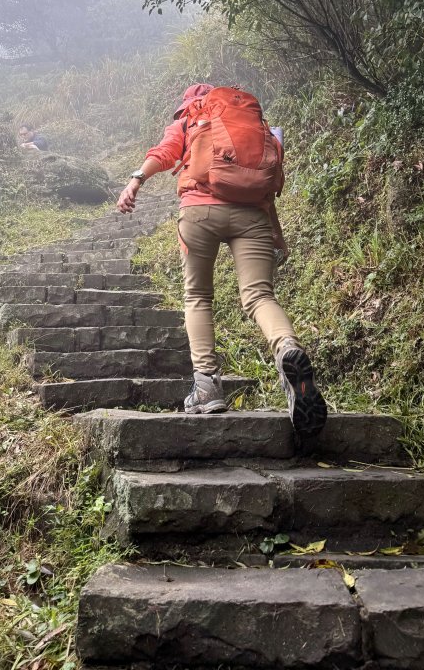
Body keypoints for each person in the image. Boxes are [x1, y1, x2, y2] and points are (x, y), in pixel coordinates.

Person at [116, 83, 327, 439]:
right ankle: (288, 349)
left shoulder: (191, 117)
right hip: (253, 214)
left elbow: (167, 151)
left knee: (198, 296)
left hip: (200, 212)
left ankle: (207, 388)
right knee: (260, 295)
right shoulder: (247, 122)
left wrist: (137, 179)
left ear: (187, 102)